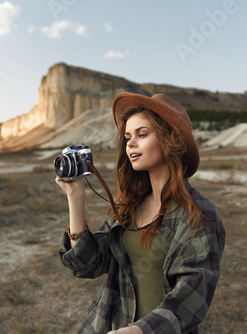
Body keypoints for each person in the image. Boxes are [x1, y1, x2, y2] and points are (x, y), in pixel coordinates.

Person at [55, 92, 225, 334]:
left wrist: (139, 331)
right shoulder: (127, 207)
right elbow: (87, 265)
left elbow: (192, 298)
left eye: (142, 134)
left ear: (170, 140)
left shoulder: (198, 214)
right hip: (111, 324)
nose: (130, 144)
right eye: (127, 137)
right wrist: (75, 197)